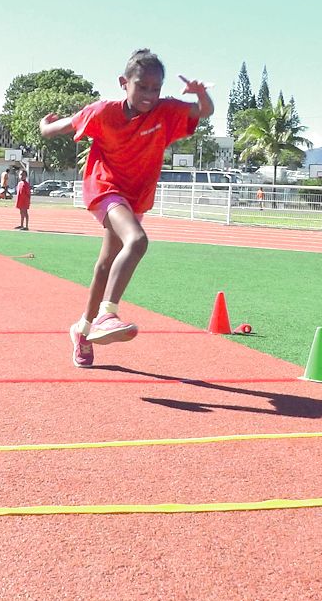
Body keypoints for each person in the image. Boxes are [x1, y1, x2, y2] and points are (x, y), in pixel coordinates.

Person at [40, 48, 212, 367]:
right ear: (124, 83)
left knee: (106, 264)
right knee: (137, 241)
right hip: (105, 188)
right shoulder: (103, 112)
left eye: (155, 88)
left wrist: (201, 95)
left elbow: (204, 112)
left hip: (136, 196)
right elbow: (61, 127)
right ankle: (108, 313)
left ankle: (82, 331)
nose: (149, 94)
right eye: (141, 86)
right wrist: (44, 126)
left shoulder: (165, 111)